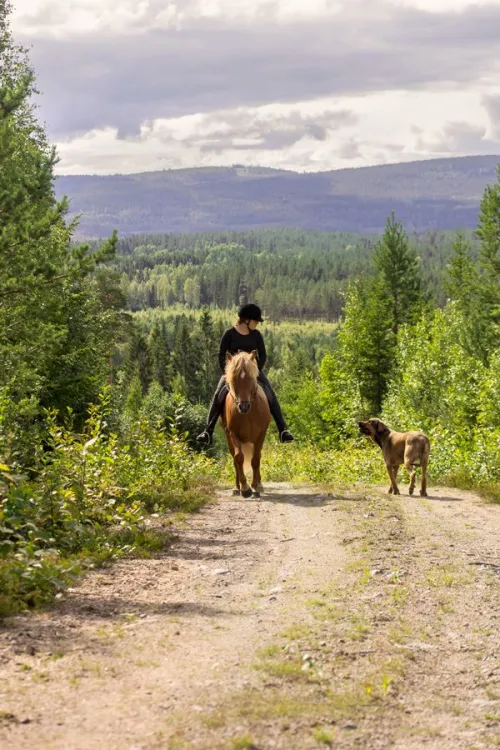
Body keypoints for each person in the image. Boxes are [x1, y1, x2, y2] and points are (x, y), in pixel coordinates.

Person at [197, 303, 295, 446]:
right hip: (232, 374)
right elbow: (221, 354)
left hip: (253, 372)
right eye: (255, 321)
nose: (257, 324)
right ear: (246, 320)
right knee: (218, 395)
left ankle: (283, 430)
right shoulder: (229, 334)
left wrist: (255, 372)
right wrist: (227, 374)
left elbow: (263, 355)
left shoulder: (256, 335)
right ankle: (208, 431)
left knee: (270, 393)